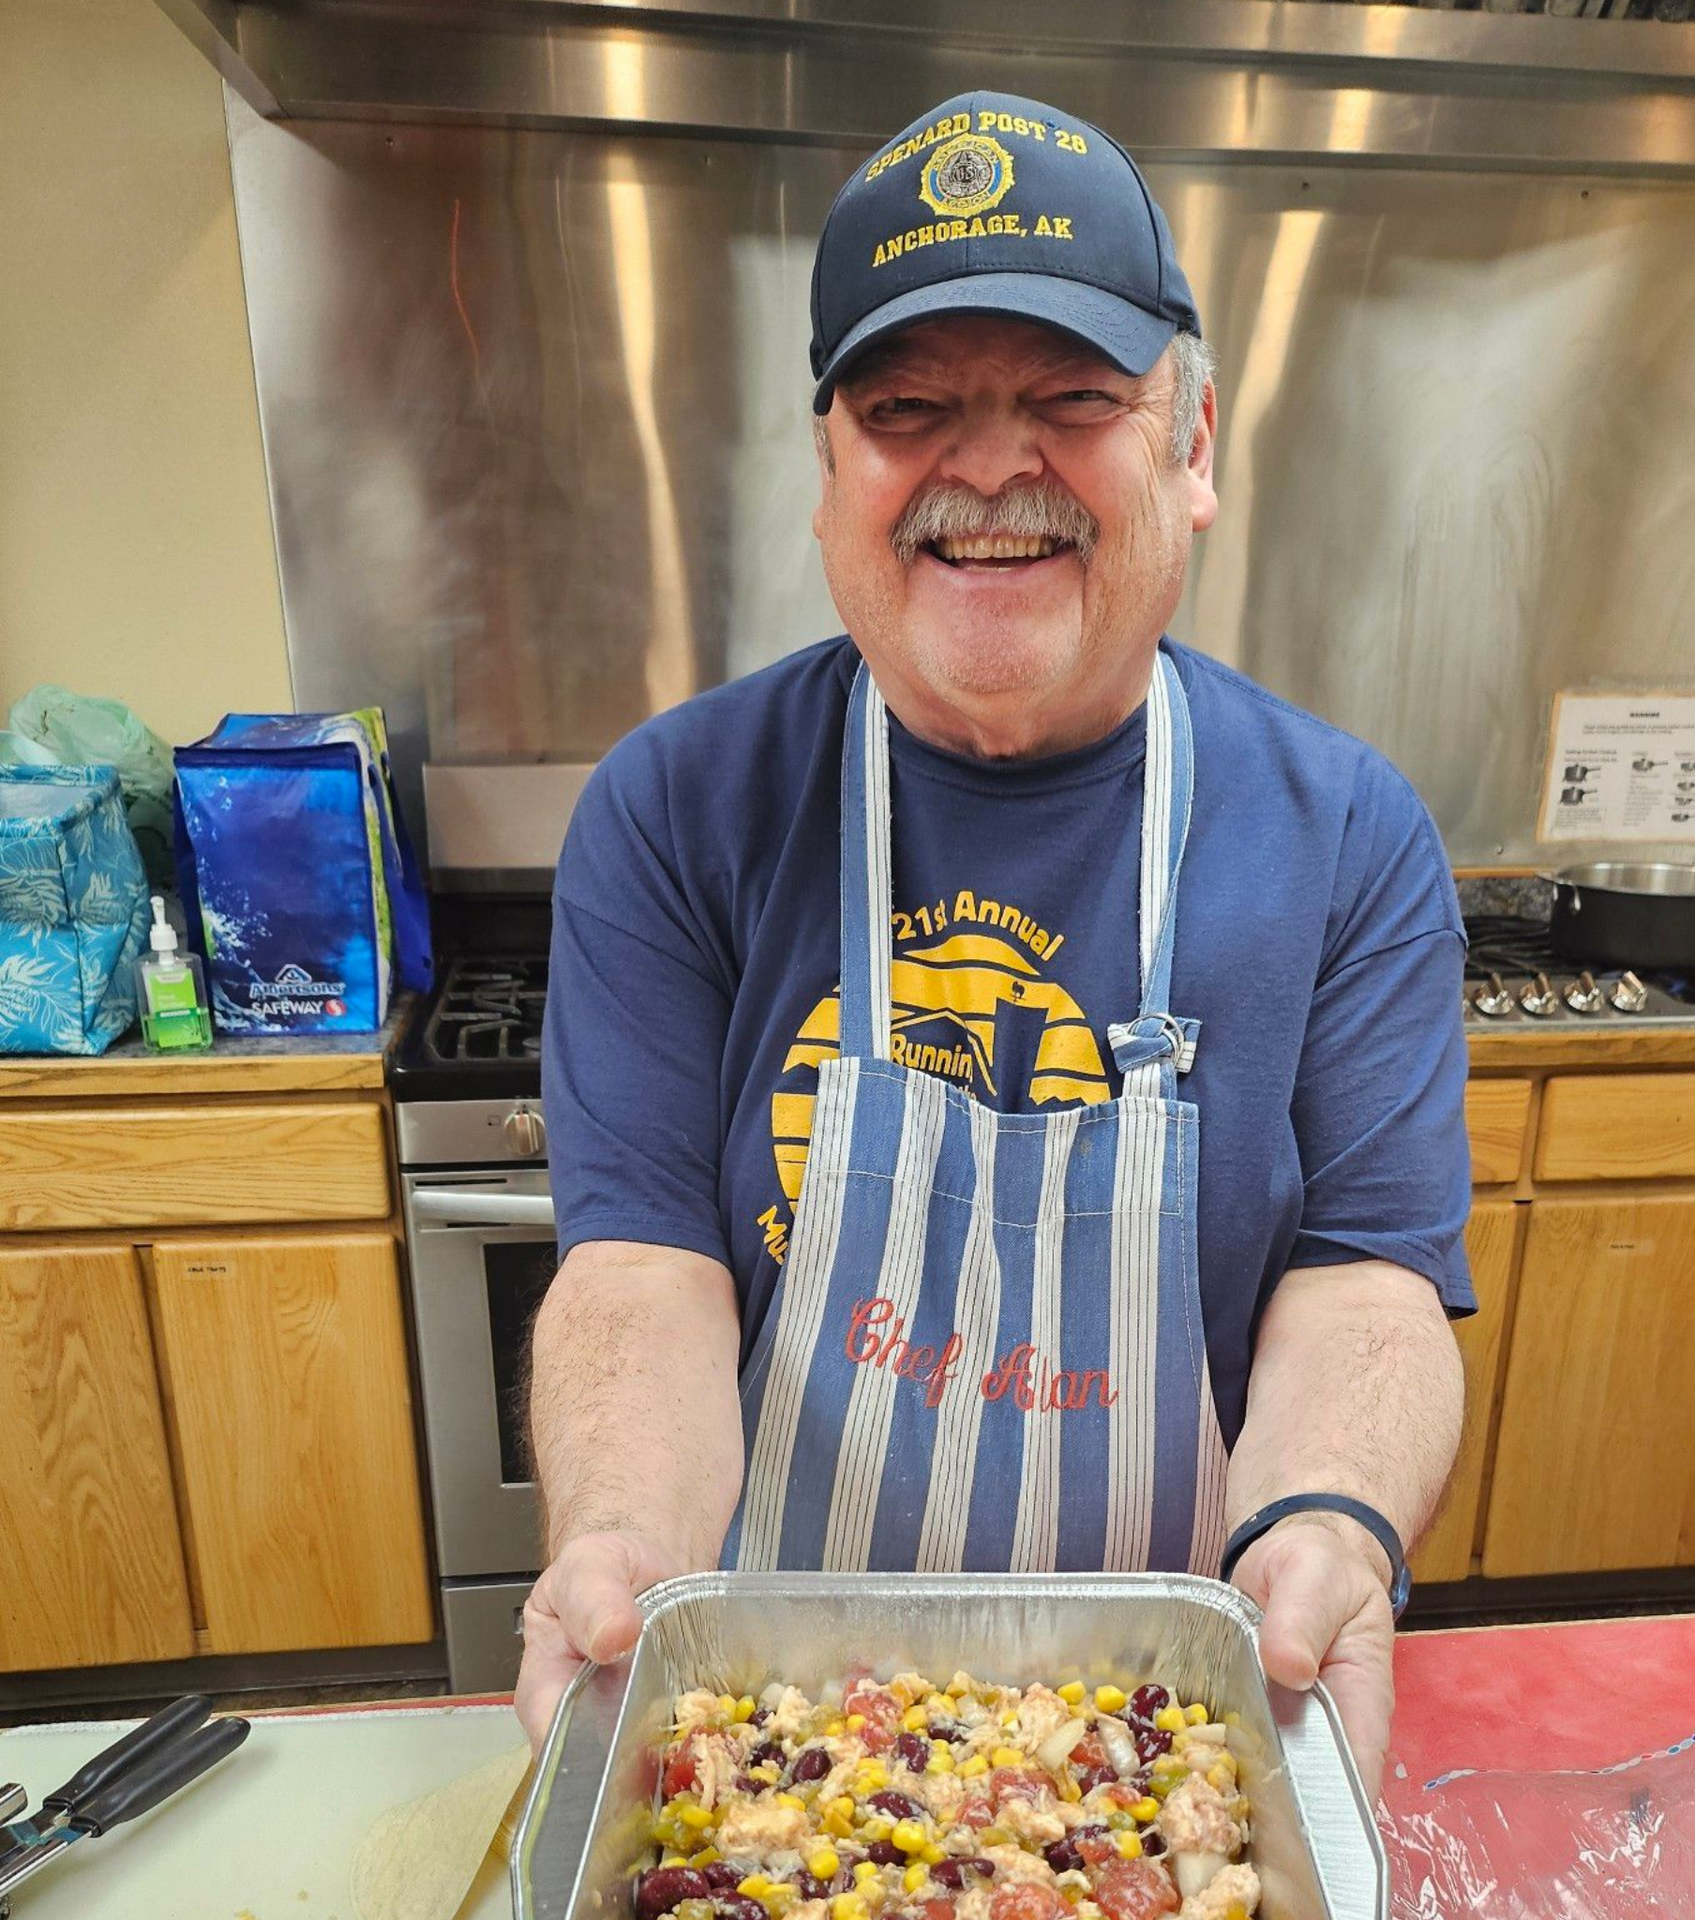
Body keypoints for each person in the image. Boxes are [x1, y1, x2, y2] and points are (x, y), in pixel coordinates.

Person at [519, 88, 1473, 1798]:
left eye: (1071, 399)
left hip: (1170, 1727)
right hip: (778, 1741)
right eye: (909, 410)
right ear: (827, 480)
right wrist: (617, 1554)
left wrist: (1329, 1530)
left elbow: (1365, 1283)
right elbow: (641, 1270)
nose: (986, 464)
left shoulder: (1346, 835)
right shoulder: (677, 808)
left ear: (1188, 452)